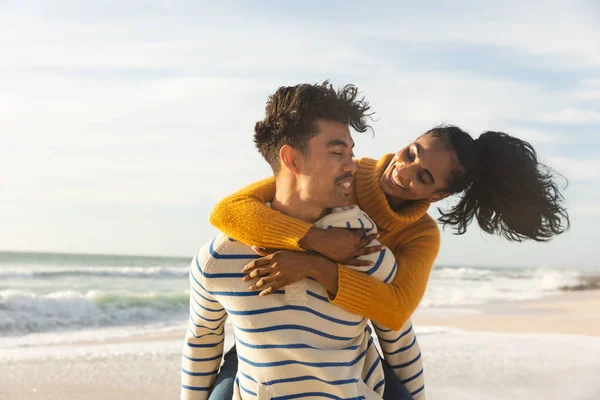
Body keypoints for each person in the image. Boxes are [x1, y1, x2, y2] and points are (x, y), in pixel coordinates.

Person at [182, 82, 425, 400]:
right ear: (291, 159)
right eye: (338, 152)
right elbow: (202, 341)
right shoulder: (220, 259)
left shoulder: (365, 249)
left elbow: (400, 345)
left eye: (350, 153)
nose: (352, 165)